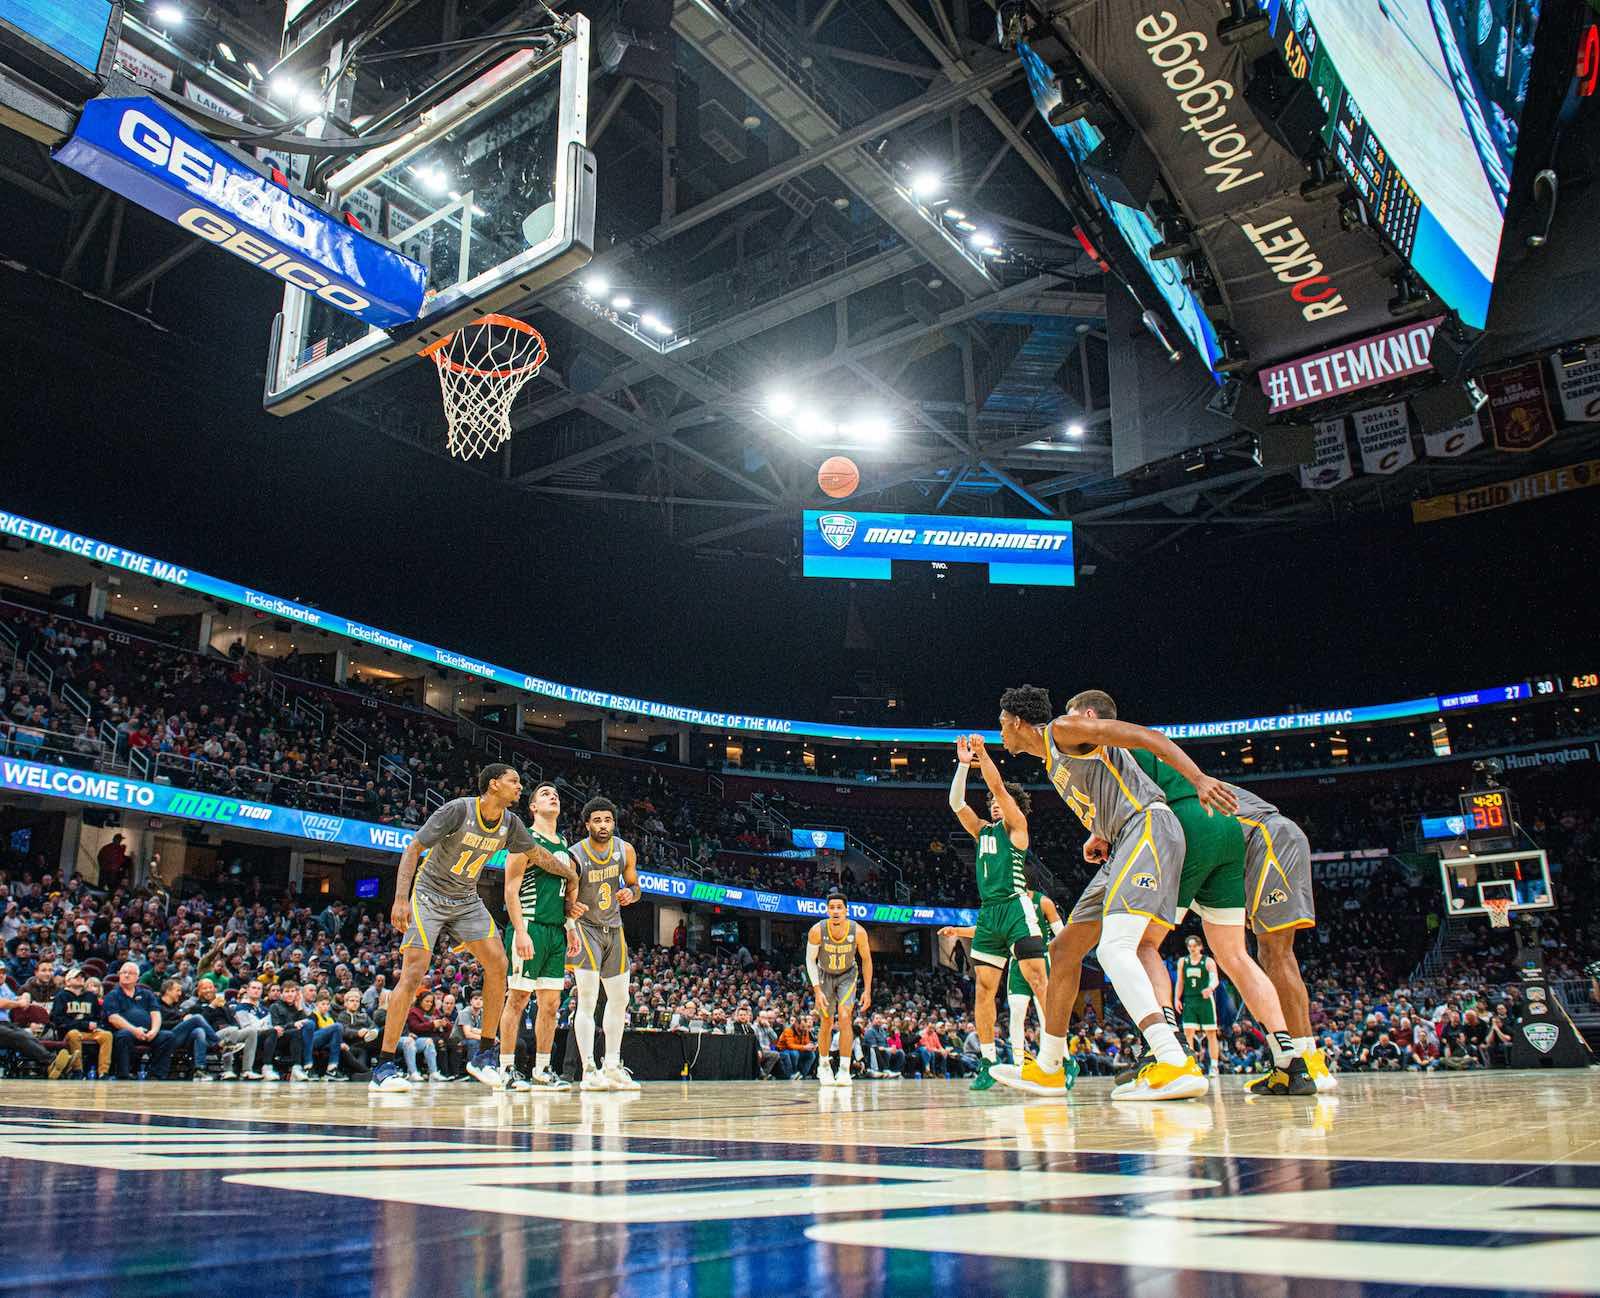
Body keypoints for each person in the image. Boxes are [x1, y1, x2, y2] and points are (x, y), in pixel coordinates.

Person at [988, 685, 1235, 1101]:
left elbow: (1144, 737)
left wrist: (1198, 778)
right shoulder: (1053, 760)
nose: (1000, 734)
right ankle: (1050, 1065)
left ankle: (1173, 1058)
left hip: (1148, 827)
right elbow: (1112, 786)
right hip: (1122, 839)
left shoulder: (1064, 729)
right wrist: (1099, 831)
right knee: (1064, 950)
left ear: (1015, 720)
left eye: (1001, 724)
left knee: (1115, 948)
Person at [370, 763, 575, 1094]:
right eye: (514, 782)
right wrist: (400, 899)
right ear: (494, 785)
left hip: (466, 899)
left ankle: (483, 1055)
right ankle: (384, 1064)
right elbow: (413, 848)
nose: (520, 787)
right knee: (414, 972)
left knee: (498, 964)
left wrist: (570, 874)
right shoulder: (458, 810)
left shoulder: (510, 823)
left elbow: (537, 854)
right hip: (429, 895)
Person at [937, 734, 1049, 1093]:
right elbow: (956, 802)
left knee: (1038, 982)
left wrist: (982, 756)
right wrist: (961, 765)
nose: (996, 805)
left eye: (1002, 802)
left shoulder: (1017, 830)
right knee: (984, 992)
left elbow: (998, 786)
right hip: (987, 916)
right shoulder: (981, 831)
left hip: (1015, 908)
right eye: (993, 803)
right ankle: (988, 1061)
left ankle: (1057, 1054)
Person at [1229, 783, 1329, 1091]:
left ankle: (1309, 1063)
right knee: (1272, 954)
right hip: (1263, 846)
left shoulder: (1173, 791)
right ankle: (1300, 1061)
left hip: (1270, 840)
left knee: (1276, 953)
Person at [501, 782, 583, 1091]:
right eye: (544, 794)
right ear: (533, 807)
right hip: (530, 925)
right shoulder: (524, 839)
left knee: (550, 1005)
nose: (553, 797)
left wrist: (571, 927)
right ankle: (506, 1069)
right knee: (519, 998)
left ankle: (542, 1069)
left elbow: (566, 896)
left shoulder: (563, 843)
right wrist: (520, 932)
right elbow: (510, 890)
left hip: (556, 931)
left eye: (556, 794)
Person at [566, 796, 642, 1092]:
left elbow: (635, 886)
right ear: (587, 824)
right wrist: (570, 922)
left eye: (607, 820)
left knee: (620, 999)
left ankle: (612, 1064)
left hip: (615, 929)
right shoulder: (575, 855)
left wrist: (630, 895)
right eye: (596, 820)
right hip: (586, 928)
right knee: (587, 999)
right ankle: (588, 1068)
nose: (602, 825)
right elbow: (567, 899)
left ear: (614, 822)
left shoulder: (625, 850)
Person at [806, 889, 871, 1087]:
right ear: (827, 910)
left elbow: (867, 960)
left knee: (845, 1017)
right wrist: (816, 990)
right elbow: (810, 960)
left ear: (846, 910)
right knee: (826, 1020)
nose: (835, 911)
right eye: (832, 907)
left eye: (839, 908)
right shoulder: (817, 930)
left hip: (847, 974)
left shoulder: (858, 931)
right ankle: (824, 1065)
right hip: (824, 975)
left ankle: (844, 1069)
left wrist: (867, 990)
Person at [103, 960, 177, 1080]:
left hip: (148, 1034)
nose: (126, 975)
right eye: (124, 972)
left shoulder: (147, 994)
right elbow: (113, 1019)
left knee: (168, 1036)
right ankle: (124, 1075)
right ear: (119, 975)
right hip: (126, 1033)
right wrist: (134, 1030)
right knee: (123, 1035)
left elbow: (156, 1013)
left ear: (137, 977)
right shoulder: (113, 995)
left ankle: (156, 1075)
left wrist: (154, 1031)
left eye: (130, 973)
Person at [50, 967, 111, 1079]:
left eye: (82, 977)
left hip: (89, 1033)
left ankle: (103, 1072)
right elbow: (58, 1020)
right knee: (74, 1033)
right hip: (68, 1033)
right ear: (68, 981)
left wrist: (96, 1025)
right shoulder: (61, 997)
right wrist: (84, 1024)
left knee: (107, 1035)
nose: (80, 978)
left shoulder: (91, 997)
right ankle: (77, 1070)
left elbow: (98, 1017)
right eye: (76, 977)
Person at [1, 980, 68, 1078]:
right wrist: (19, 1003)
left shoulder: (4, 986)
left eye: (3, 972)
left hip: (5, 1023)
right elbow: (2, 1003)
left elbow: (18, 998)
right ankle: (53, 1061)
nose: (1, 975)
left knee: (27, 1036)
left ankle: (52, 1065)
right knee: (18, 1037)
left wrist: (25, 996)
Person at [1176, 935, 1222, 1075]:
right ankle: (1191, 1064)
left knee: (1211, 1033)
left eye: (1194, 946)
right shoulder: (1183, 961)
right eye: (1190, 946)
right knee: (1188, 1033)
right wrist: (1176, 998)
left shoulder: (1207, 961)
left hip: (1205, 1001)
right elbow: (1180, 981)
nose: (1192, 949)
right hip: (1189, 1000)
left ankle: (1214, 1066)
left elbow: (1215, 979)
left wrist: (1210, 988)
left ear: (1200, 947)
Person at [336, 988, 380, 1074]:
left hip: (366, 1042)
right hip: (351, 1044)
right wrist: (357, 1033)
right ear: (346, 1003)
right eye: (352, 1001)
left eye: (357, 1001)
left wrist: (368, 1031)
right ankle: (369, 1072)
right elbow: (344, 1030)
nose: (355, 1003)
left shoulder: (364, 1016)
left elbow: (373, 1026)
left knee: (381, 1031)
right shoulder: (342, 1016)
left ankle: (384, 1066)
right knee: (361, 1057)